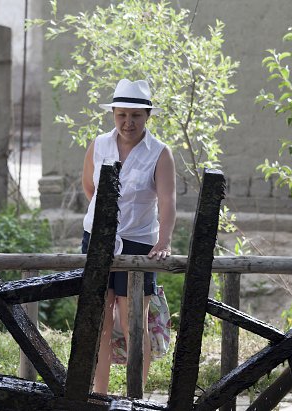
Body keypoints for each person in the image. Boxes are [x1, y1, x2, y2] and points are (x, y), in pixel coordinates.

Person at [81, 78, 176, 394]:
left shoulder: (160, 153)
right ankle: (99, 395)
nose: (128, 122)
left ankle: (134, 396)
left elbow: (167, 201)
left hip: (138, 242)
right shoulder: (99, 145)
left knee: (133, 322)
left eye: (135, 115)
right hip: (97, 238)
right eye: (122, 115)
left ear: (147, 116)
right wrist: (107, 220)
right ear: (113, 114)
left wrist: (163, 241)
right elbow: (90, 188)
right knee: (99, 322)